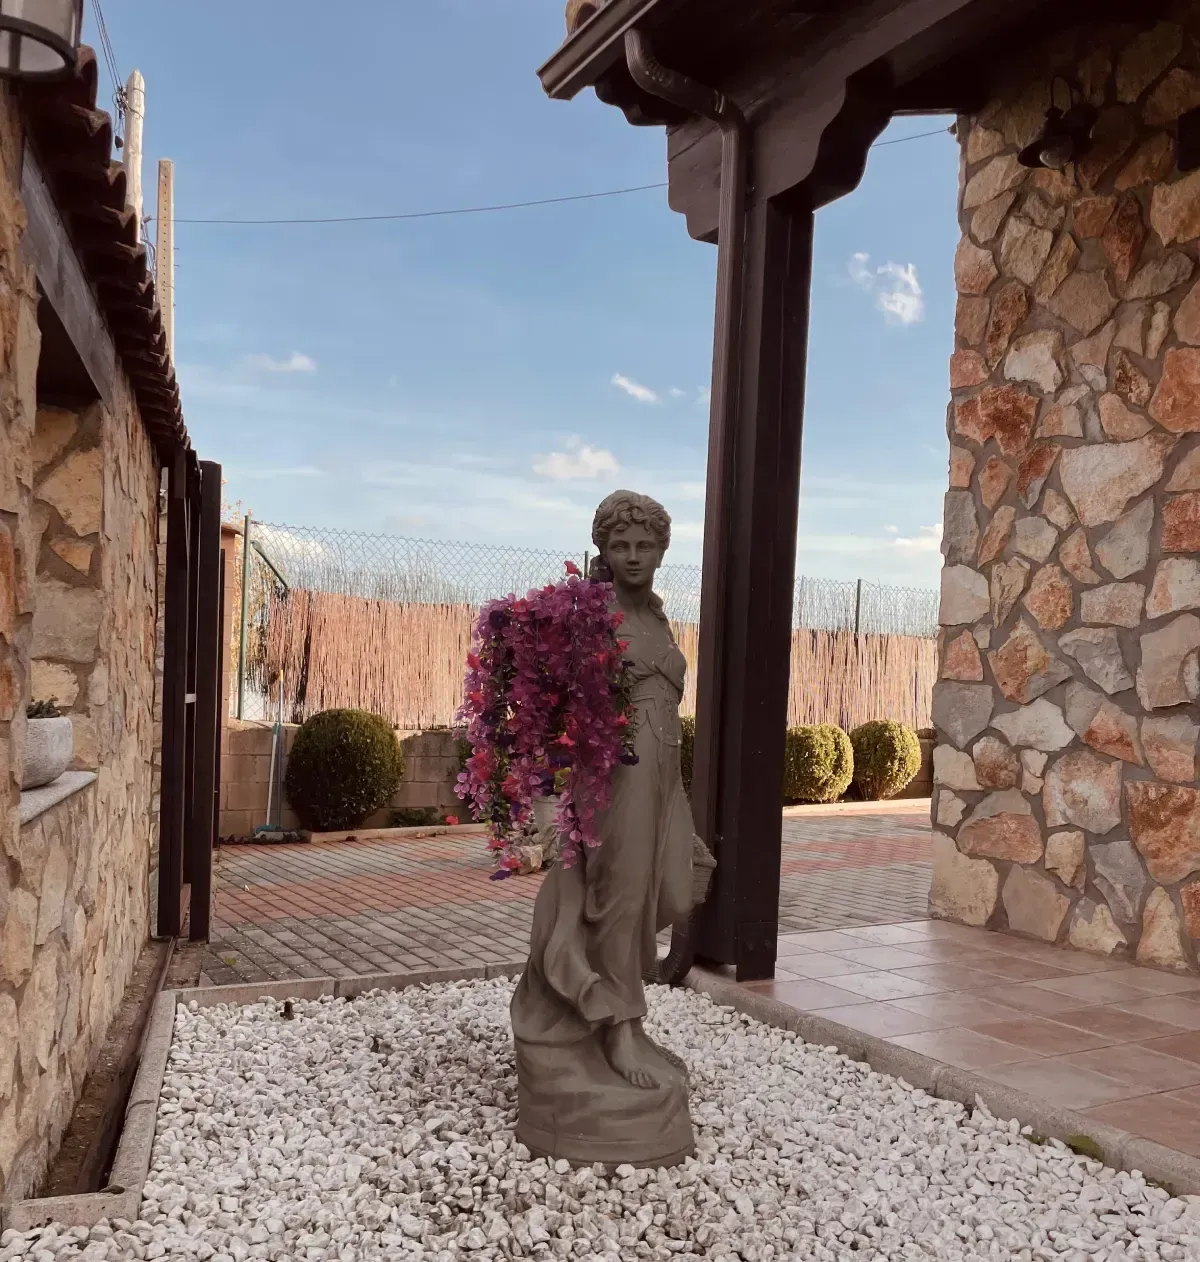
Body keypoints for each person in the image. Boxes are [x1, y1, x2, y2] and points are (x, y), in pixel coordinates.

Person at [509, 490, 697, 1167]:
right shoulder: (594, 614)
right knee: (619, 897)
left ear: (661, 548)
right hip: (615, 772)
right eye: (620, 547)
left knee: (674, 887)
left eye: (644, 546)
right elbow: (560, 691)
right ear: (603, 551)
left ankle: (617, 1008)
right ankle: (618, 1027)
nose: (633, 557)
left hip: (664, 767)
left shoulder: (652, 613)